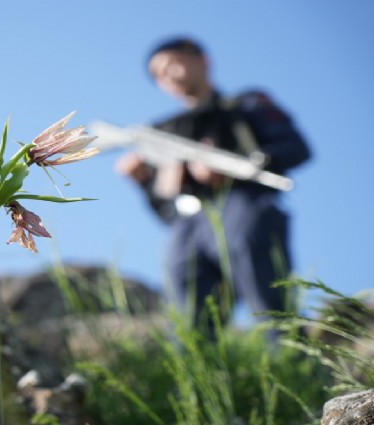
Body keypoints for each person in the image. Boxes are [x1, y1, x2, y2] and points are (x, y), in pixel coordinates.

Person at [116, 37, 311, 335]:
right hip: (190, 222)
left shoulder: (247, 105)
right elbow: (166, 210)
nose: (166, 76)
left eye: (172, 64)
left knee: (270, 301)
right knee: (185, 306)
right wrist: (144, 181)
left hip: (243, 205)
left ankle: (296, 365)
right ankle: (200, 377)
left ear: (202, 61)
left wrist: (236, 166)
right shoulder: (163, 131)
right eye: (157, 75)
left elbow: (295, 148)